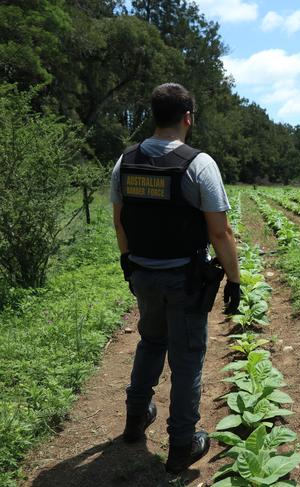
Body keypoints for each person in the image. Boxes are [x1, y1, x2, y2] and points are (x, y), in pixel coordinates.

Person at [110, 82, 241, 474]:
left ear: (154, 116)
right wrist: (234, 279)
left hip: (143, 275)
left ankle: (136, 419)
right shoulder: (198, 164)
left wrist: (127, 260)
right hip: (184, 280)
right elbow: (220, 232)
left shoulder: (125, 162)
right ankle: (183, 443)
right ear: (188, 118)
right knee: (186, 360)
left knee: (150, 341)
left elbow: (120, 221)